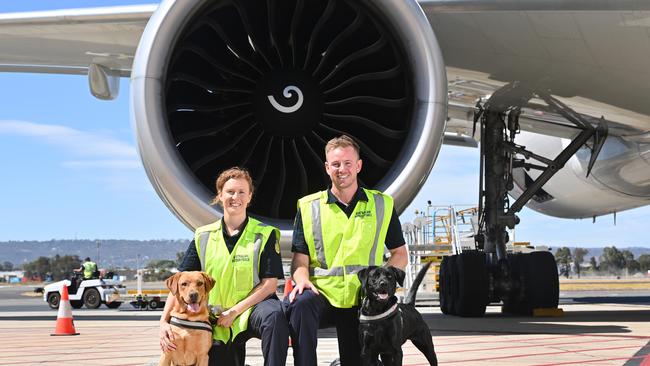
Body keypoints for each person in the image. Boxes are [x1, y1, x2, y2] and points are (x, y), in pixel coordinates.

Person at [284, 135, 408, 366]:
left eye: (348, 163)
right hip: (324, 295)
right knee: (300, 303)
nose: (342, 169)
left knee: (356, 361)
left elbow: (400, 254)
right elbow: (300, 260)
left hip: (361, 298)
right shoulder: (309, 206)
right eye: (336, 164)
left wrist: (381, 281)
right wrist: (301, 279)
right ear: (327, 167)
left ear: (358, 165)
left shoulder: (382, 204)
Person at [159, 167, 289, 366]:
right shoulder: (203, 236)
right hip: (217, 317)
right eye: (229, 192)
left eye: (241, 192)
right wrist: (163, 322)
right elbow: (180, 283)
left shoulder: (265, 233)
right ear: (220, 195)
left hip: (251, 310)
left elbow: (270, 285)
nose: (235, 197)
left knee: (275, 316)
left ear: (249, 196)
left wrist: (235, 312)